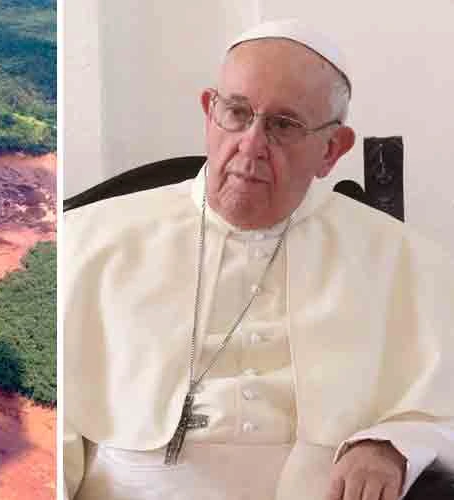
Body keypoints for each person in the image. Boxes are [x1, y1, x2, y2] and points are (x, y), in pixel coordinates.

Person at [62, 19, 454, 500]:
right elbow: (46, 426)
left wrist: (395, 444)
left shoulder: (405, 260)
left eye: (283, 125)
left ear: (332, 150)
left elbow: (441, 409)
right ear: (210, 112)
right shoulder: (88, 241)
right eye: (237, 112)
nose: (251, 144)